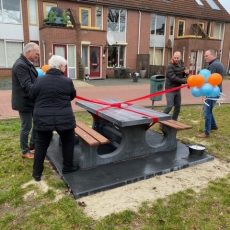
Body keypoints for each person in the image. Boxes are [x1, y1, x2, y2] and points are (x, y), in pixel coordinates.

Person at [30, 55, 78, 181]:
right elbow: (72, 95)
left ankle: (37, 173)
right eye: (65, 66)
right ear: (61, 67)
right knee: (68, 141)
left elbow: (32, 95)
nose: (65, 69)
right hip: (64, 118)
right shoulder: (67, 81)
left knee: (41, 144)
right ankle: (68, 166)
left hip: (43, 118)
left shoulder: (39, 80)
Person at [12, 42, 40, 159]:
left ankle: (32, 145)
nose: (38, 56)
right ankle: (25, 151)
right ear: (28, 52)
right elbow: (27, 85)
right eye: (36, 54)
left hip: (31, 101)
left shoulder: (28, 63)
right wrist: (41, 90)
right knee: (26, 127)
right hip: (24, 102)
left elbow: (34, 80)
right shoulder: (20, 65)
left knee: (37, 122)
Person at [197, 49, 225, 138]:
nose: (205, 58)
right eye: (205, 56)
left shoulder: (213, 65)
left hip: (212, 92)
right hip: (217, 90)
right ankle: (214, 126)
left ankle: (207, 132)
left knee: (207, 111)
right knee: (209, 109)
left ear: (212, 55)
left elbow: (208, 80)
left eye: (206, 56)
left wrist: (201, 87)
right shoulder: (218, 63)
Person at [163, 51, 188, 120]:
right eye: (175, 57)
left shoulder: (181, 64)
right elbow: (173, 78)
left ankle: (174, 120)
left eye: (178, 58)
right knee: (169, 106)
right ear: (173, 57)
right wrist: (185, 81)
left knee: (178, 106)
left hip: (177, 89)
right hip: (170, 89)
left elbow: (183, 75)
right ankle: (160, 120)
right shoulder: (170, 66)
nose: (176, 59)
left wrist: (186, 73)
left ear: (180, 57)